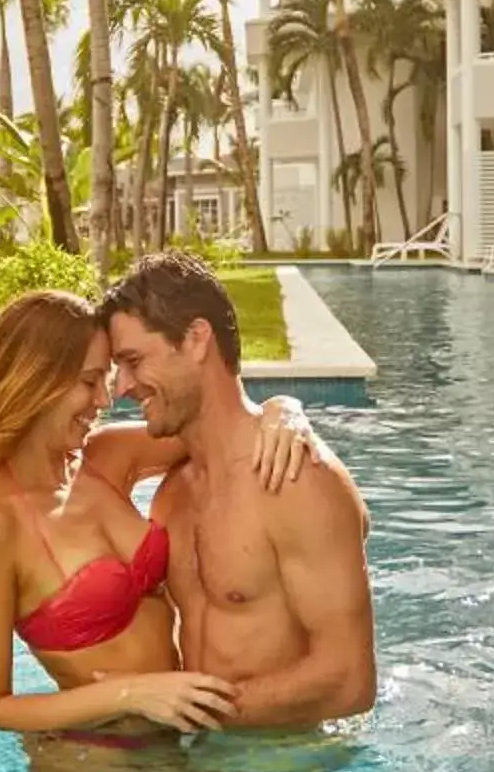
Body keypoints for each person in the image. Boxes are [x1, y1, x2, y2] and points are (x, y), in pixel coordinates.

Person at [0, 288, 318, 740]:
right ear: (33, 382)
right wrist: (132, 695)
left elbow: (221, 425)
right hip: (99, 769)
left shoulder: (106, 458)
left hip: (189, 739)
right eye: (89, 381)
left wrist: (284, 410)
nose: (105, 399)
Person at [104, 253, 375, 727]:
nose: (120, 387)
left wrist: (176, 716)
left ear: (195, 339)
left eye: (133, 361)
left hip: (286, 770)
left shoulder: (294, 479)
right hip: (203, 749)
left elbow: (351, 680)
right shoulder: (174, 491)